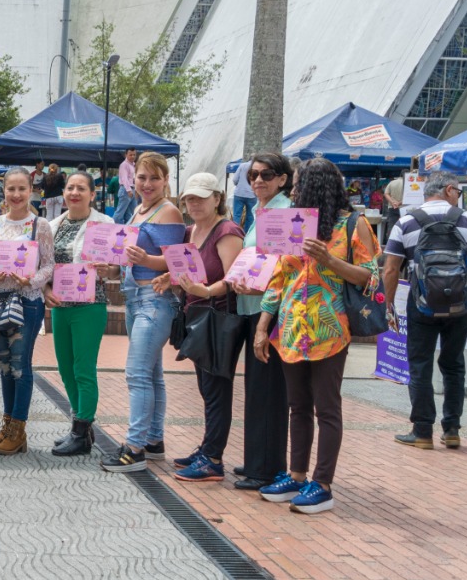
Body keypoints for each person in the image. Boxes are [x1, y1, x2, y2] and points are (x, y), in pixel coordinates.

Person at [255, 158, 381, 515]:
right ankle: (297, 475)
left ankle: (323, 484)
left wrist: (329, 260)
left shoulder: (354, 225)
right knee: (297, 406)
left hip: (330, 329)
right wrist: (264, 326)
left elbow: (371, 277)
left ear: (315, 187)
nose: (292, 191)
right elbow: (279, 277)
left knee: (326, 407)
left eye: (297, 184)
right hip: (292, 329)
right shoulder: (294, 224)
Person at [382, 172, 467, 448]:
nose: (459, 197)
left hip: (421, 305)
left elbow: (391, 268)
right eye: (459, 192)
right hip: (460, 306)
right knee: (453, 366)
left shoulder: (407, 221)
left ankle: (422, 432)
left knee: (419, 365)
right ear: (450, 190)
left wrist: (390, 304)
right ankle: (452, 428)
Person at [100, 152, 185, 470]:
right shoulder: (138, 209)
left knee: (137, 374)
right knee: (151, 374)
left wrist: (144, 260)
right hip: (135, 299)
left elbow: (177, 260)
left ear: (165, 180)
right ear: (132, 179)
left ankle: (134, 449)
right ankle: (153, 440)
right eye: (142, 177)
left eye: (154, 178)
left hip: (155, 299)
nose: (147, 184)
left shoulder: (168, 212)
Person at [158, 173, 244, 481]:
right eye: (189, 199)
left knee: (216, 389)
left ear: (217, 199)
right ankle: (208, 448)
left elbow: (235, 279)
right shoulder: (190, 230)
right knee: (206, 389)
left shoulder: (227, 230)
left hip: (218, 318)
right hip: (196, 316)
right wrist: (170, 278)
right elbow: (187, 270)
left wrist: (206, 291)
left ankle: (213, 458)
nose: (193, 204)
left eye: (200, 198)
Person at [225, 153, 293, 490]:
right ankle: (259, 458)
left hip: (271, 312)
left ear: (283, 178)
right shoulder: (260, 211)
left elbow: (285, 268)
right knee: (257, 388)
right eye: (252, 175)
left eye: (266, 174)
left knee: (267, 391)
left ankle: (265, 468)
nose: (258, 181)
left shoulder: (283, 211)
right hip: (253, 306)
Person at [0, 167, 54, 455]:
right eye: (11, 189)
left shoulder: (40, 225)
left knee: (21, 367)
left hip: (26, 301)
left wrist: (31, 280)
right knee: (5, 367)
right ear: (4, 191)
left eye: (22, 189)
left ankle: (18, 429)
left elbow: (48, 265)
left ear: (31, 189)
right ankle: (7, 425)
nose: (16, 195)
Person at [47, 170, 119, 456]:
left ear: (92, 194)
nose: (74, 193)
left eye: (81, 188)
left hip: (90, 304)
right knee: (65, 368)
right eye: (70, 188)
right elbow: (43, 265)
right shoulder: (52, 224)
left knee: (83, 369)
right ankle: (80, 428)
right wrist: (45, 291)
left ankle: (81, 429)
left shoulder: (105, 223)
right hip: (61, 305)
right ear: (64, 193)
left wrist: (109, 269)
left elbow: (115, 268)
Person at [231, 159, 256, 233]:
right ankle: (246, 234)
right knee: (250, 216)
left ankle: (235, 233)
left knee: (237, 215)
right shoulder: (256, 167)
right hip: (252, 195)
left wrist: (239, 185)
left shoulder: (242, 165)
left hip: (239, 193)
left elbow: (235, 179)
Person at [114, 148, 138, 222]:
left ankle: (130, 230)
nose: (132, 156)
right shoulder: (124, 165)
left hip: (132, 189)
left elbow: (133, 178)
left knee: (132, 213)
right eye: (130, 155)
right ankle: (112, 228)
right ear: (126, 155)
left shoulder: (134, 165)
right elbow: (124, 179)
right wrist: (128, 190)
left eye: (134, 155)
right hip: (126, 190)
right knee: (120, 213)